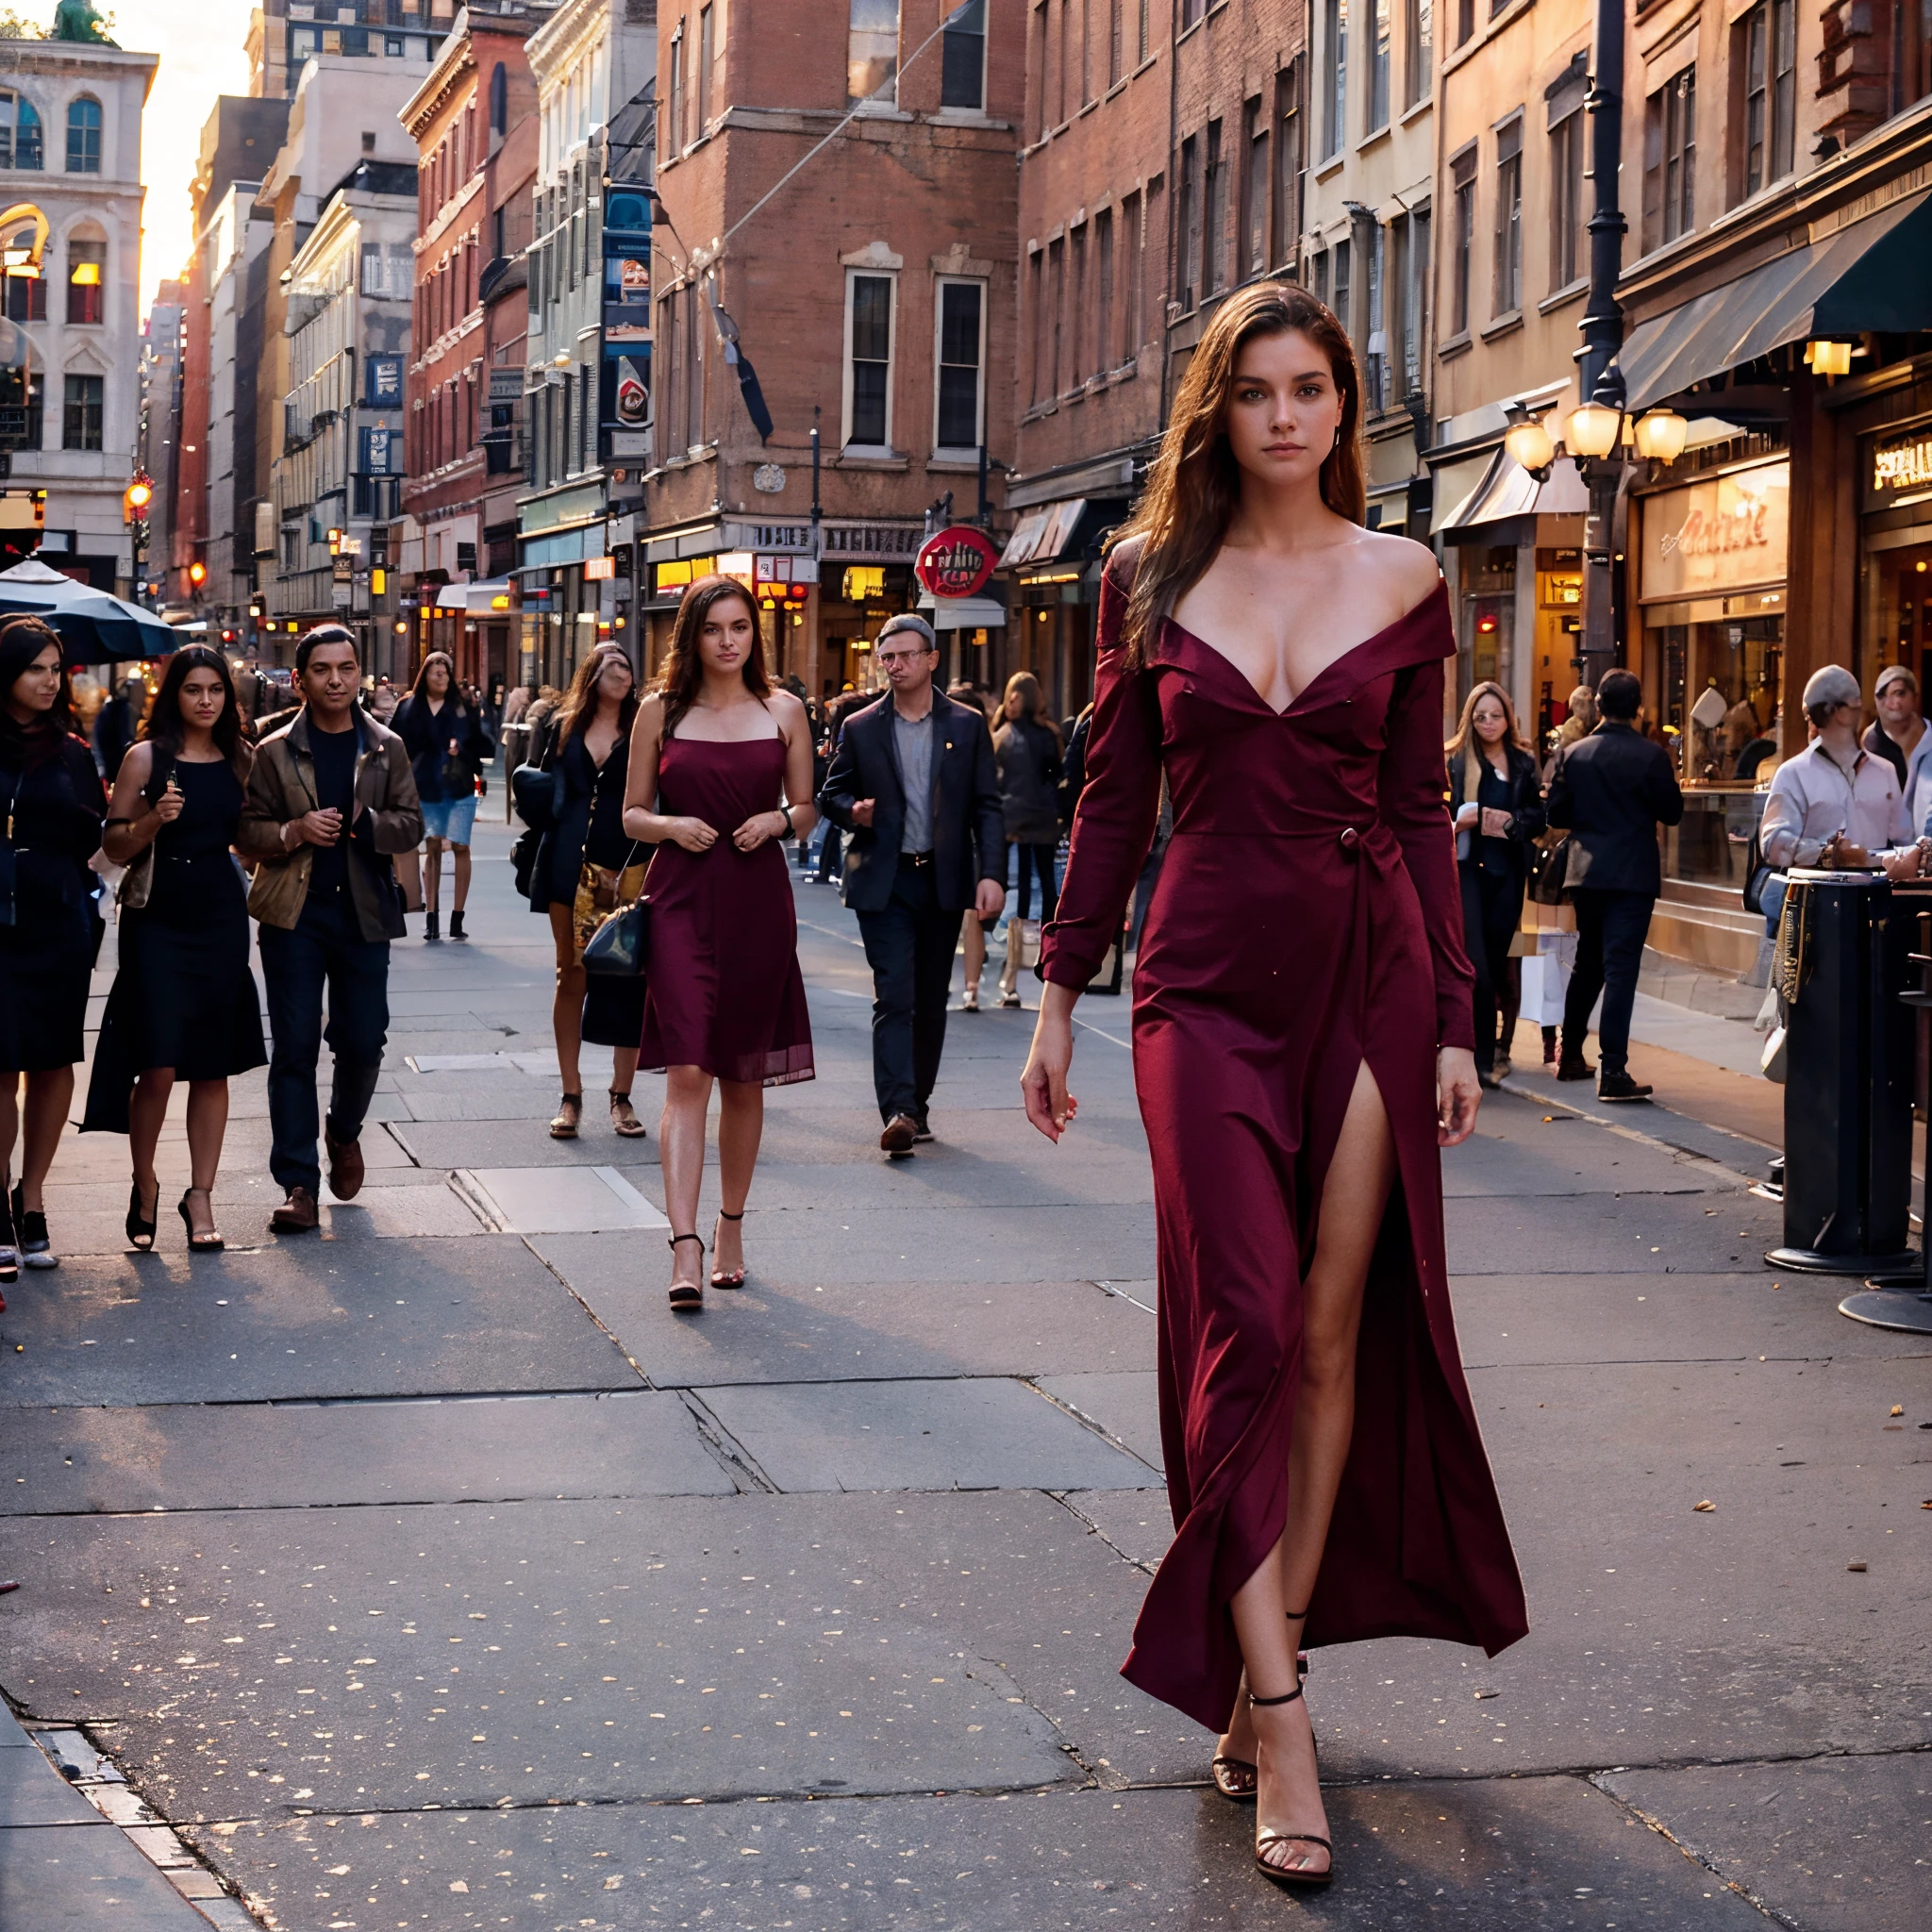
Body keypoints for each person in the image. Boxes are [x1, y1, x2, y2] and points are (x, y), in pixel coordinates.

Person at [1019, 283, 1524, 1890]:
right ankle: (1284, 1716)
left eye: (1311, 387)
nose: (1286, 414)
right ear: (1216, 411)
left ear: (1341, 406)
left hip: (1371, 979)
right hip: (1199, 988)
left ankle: (1267, 1652)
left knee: (1323, 1327)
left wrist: (1450, 1019)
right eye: (1255, 390)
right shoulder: (1144, 575)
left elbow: (1421, 807)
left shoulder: (1407, 575)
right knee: (1239, 1312)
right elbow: (1111, 802)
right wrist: (1053, 994)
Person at [623, 576, 816, 1310]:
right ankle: (684, 1243)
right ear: (692, 637)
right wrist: (673, 826)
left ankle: (730, 1225)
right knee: (687, 1073)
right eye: (714, 629)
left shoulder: (783, 710)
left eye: (740, 627)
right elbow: (632, 814)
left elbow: (806, 808)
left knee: (743, 1074)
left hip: (759, 901)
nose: (729, 640)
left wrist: (777, 822)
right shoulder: (661, 712)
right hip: (678, 898)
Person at [238, 625, 423, 1233]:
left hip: (364, 912)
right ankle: (298, 1183)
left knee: (364, 1039)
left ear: (359, 674)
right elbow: (247, 832)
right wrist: (293, 832)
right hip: (294, 914)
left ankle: (343, 1131)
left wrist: (365, 826)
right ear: (302, 678)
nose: (336, 680)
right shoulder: (273, 749)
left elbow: (410, 825)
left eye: (346, 668)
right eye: (323, 669)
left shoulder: (385, 746)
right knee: (293, 1047)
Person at [86, 646, 267, 1251]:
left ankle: (202, 1196)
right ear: (174, 695)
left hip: (218, 914)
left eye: (216, 689)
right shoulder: (146, 758)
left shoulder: (242, 757)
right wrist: (153, 821)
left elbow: (254, 831)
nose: (207, 700)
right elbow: (114, 847)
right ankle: (144, 1183)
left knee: (211, 1064)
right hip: (156, 920)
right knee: (158, 1064)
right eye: (194, 689)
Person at [819, 613, 1006, 1153]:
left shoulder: (967, 726)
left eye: (903, 656)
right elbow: (831, 793)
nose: (893, 666)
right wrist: (853, 810)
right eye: (887, 658)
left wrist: (991, 873)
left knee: (929, 998)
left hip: (942, 879)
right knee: (893, 994)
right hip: (885, 879)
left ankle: (917, 1108)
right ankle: (898, 1108)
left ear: (931, 660)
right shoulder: (861, 727)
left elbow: (986, 807)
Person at [0, 618, 108, 1285]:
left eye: (54, 668)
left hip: (56, 923)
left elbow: (92, 830)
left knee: (51, 1062)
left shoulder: (71, 752)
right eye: (35, 667)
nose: (47, 679)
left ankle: (30, 1197)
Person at [1544, 668, 1686, 1101]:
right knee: (1621, 969)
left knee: (1590, 961)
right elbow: (1673, 811)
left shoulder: (1575, 754)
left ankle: (1570, 1056)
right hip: (1632, 874)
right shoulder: (1651, 757)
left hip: (1586, 872)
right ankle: (1614, 1070)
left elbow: (1556, 816)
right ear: (1639, 708)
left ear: (1600, 706)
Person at [528, 643, 648, 1140]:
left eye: (626, 665)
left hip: (630, 865)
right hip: (568, 863)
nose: (622, 672)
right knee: (570, 974)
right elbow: (538, 788)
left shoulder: (646, 725)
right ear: (592, 674)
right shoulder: (563, 726)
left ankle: (621, 1095)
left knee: (629, 975)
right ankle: (570, 1094)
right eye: (611, 664)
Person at [1445, 681, 1545, 1087]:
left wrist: (1490, 818)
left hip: (1508, 875)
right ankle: (1478, 1058)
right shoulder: (1454, 761)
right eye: (1480, 716)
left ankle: (1490, 1052)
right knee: (1476, 966)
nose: (1488, 723)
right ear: (1470, 719)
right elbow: (1439, 814)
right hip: (1466, 870)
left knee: (1499, 963)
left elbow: (1535, 821)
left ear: (1508, 719)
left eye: (1496, 715)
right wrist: (1467, 821)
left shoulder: (1522, 762)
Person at [1760, 663, 1924, 881]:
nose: (1812, 725)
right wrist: (1829, 854)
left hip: (1875, 902)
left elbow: (1904, 841)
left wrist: (1919, 850)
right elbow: (1772, 844)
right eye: (1810, 717)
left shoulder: (1885, 771)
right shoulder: (1792, 773)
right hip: (1816, 901)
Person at [393, 651, 492, 941]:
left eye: (445, 671)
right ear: (424, 674)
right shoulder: (408, 707)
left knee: (461, 846)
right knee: (433, 846)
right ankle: (432, 917)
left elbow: (484, 746)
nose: (440, 675)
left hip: (459, 784)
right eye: (435, 671)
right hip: (425, 785)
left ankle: (457, 918)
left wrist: (461, 749)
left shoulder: (463, 707)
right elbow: (396, 746)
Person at [991, 671, 1064, 1008]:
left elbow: (997, 782)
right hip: (1044, 820)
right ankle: (1049, 951)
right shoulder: (1050, 734)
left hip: (1014, 821)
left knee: (1015, 890)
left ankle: (1014, 959)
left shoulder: (1003, 736)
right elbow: (1055, 775)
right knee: (1047, 885)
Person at [91, 673, 145, 782]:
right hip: (118, 768)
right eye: (141, 692)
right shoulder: (126, 710)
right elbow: (127, 740)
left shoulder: (112, 708)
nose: (144, 697)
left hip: (110, 766)